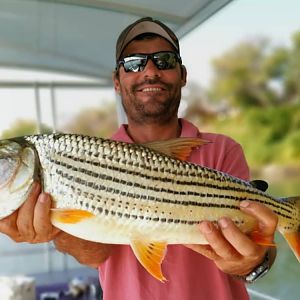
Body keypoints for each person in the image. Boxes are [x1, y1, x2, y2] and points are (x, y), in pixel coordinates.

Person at [0, 17, 278, 300]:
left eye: (164, 60)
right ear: (117, 81)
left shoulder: (222, 149)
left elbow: (257, 242)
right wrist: (54, 230)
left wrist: (252, 265)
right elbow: (97, 253)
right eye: (133, 63)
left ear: (182, 74)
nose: (150, 71)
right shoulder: (89, 156)